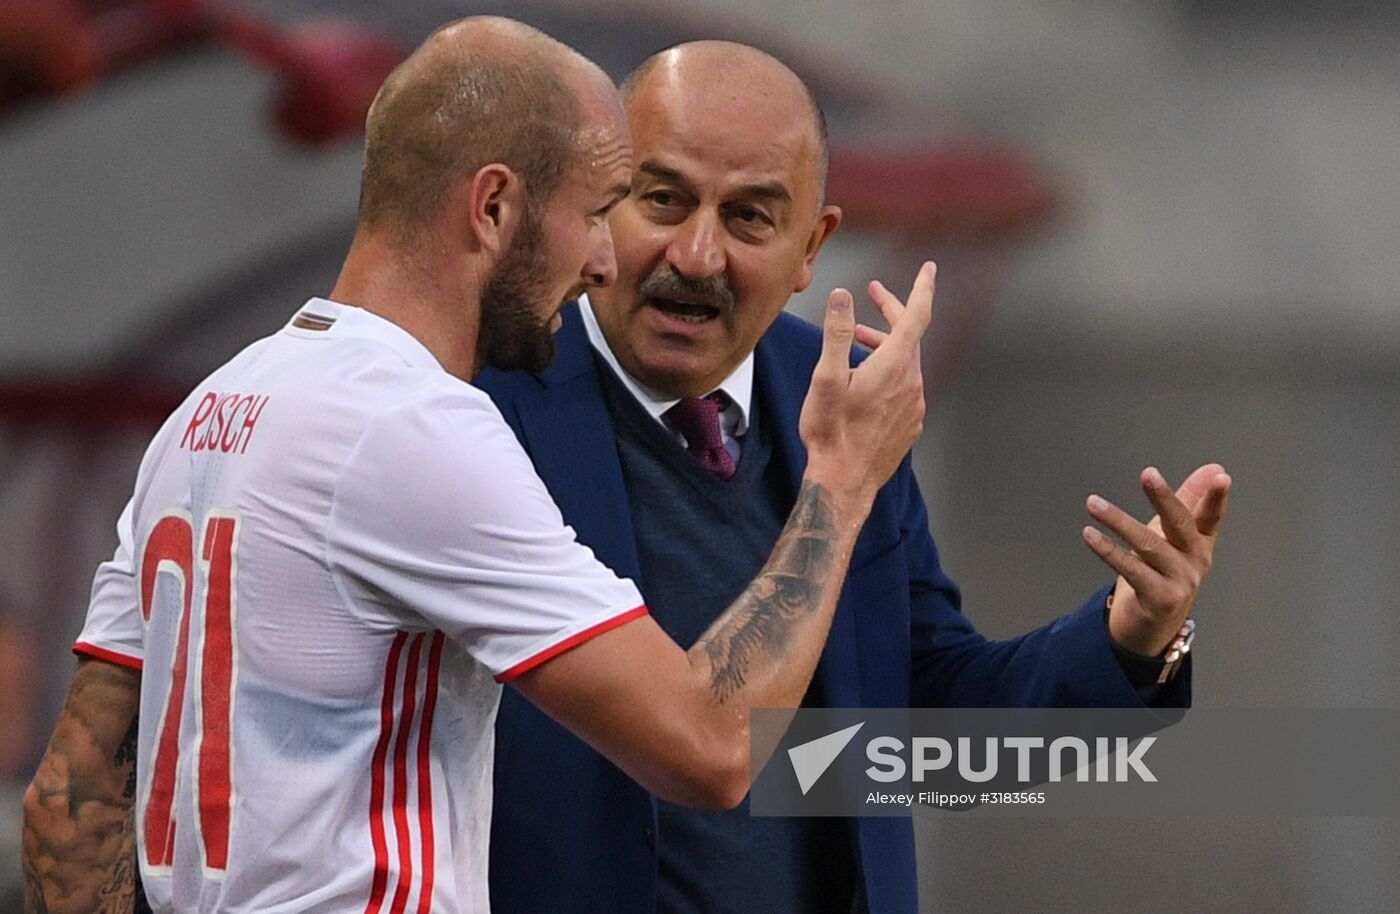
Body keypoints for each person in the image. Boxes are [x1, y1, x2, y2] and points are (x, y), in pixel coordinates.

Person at [21, 19, 935, 914]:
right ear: (495, 207)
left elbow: (73, 794)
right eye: (594, 212)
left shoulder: (207, 412)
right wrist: (842, 479)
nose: (603, 259)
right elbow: (710, 747)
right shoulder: (414, 429)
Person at [475, 41, 1231, 914]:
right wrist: (839, 485)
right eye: (662, 199)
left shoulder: (840, 398)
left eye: (750, 217)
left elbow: (923, 717)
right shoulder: (480, 390)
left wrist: (1130, 639)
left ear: (811, 248)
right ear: (600, 201)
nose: (697, 253)